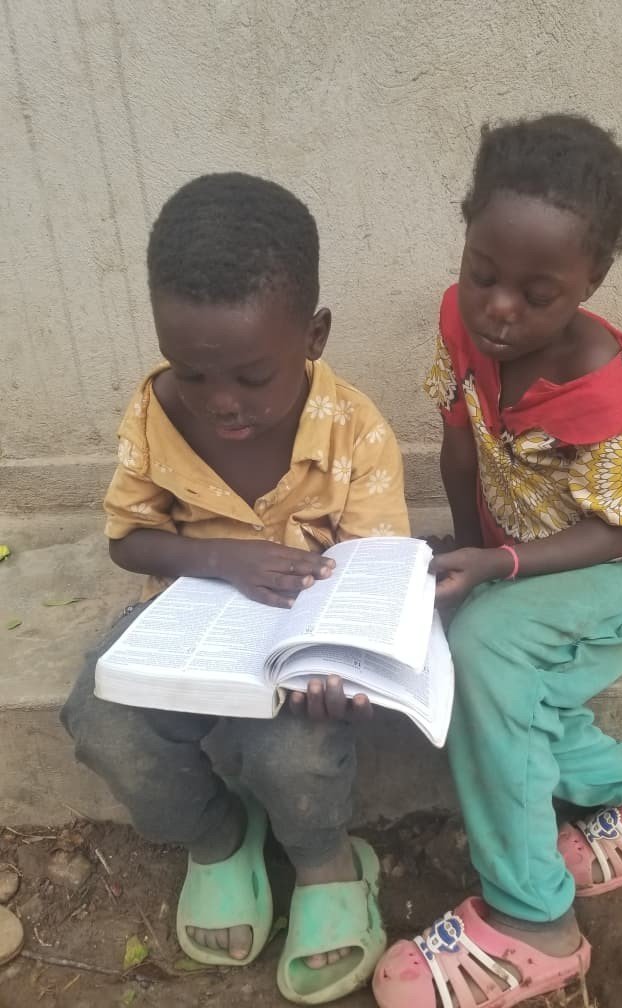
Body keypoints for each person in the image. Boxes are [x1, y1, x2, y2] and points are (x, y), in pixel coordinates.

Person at [372, 115, 622, 1008]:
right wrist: (466, 552)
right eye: (484, 273)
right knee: (476, 648)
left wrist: (496, 567)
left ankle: (534, 920)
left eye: (537, 294)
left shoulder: (600, 386)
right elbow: (461, 445)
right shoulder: (462, 322)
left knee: (489, 653)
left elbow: (617, 532)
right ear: (465, 238)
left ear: (590, 282)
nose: (499, 308)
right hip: (532, 552)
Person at [62, 172, 409, 1004]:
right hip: (183, 627)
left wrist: (347, 672)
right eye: (194, 375)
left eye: (253, 378)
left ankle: (326, 860)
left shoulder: (355, 429)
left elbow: (376, 576)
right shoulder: (153, 413)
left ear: (314, 335)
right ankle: (218, 838)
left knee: (290, 748)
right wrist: (224, 560)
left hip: (298, 651)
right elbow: (126, 539)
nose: (223, 405)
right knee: (100, 719)